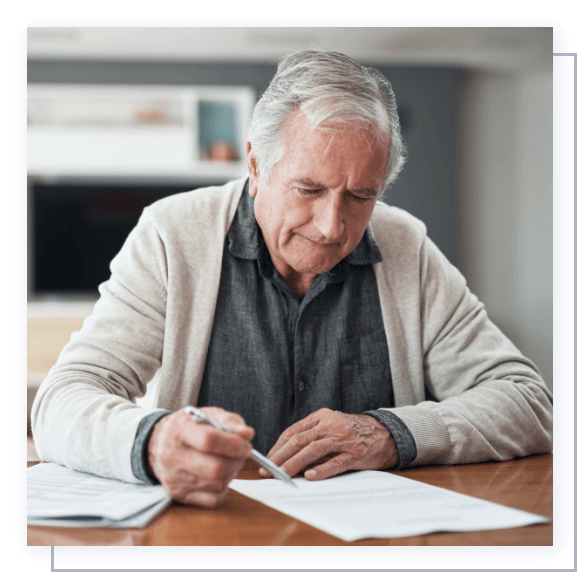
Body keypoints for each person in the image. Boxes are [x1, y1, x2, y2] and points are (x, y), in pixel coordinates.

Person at [31, 49, 553, 509]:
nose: (332, 228)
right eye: (308, 189)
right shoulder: (173, 235)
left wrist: (390, 433)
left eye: (360, 197)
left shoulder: (405, 246)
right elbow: (62, 401)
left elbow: (527, 402)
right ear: (257, 167)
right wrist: (152, 441)